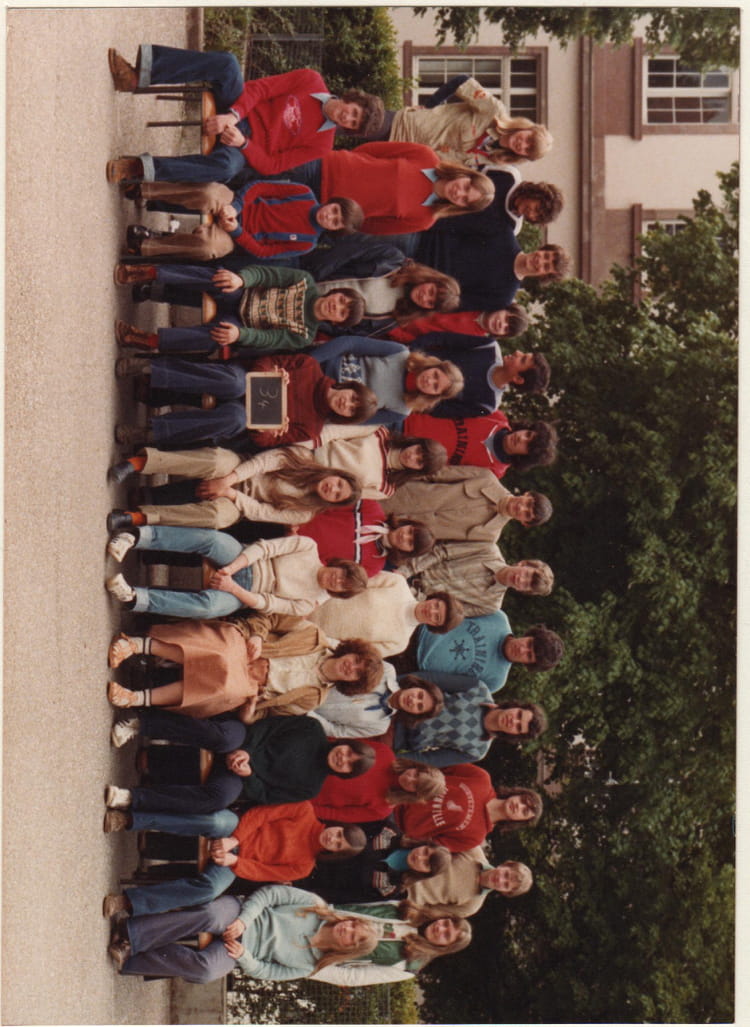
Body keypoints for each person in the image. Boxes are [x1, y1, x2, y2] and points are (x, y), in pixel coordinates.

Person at [107, 46, 384, 180]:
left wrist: (243, 143)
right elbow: (261, 89)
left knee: (226, 169)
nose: (348, 118)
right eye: (354, 112)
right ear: (352, 99)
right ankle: (136, 77)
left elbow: (273, 165)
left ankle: (138, 168)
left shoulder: (323, 145)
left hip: (243, 145)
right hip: (240, 107)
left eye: (353, 123)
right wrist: (234, 115)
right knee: (228, 64)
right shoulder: (311, 80)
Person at [105, 609, 382, 721]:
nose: (351, 667)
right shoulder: (312, 635)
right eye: (356, 661)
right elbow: (269, 619)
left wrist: (250, 713)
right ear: (351, 652)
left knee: (226, 689)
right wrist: (258, 636)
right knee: (222, 654)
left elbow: (269, 712)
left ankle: (137, 698)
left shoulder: (314, 698)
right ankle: (137, 645)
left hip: (251, 685)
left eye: (356, 674)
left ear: (351, 684)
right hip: (246, 649)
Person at [102, 805, 367, 916]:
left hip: (236, 862)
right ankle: (130, 819)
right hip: (237, 829)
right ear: (338, 825)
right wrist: (234, 840)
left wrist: (233, 861)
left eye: (338, 845)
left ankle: (128, 902)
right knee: (214, 821)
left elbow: (262, 873)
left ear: (336, 853)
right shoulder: (304, 810)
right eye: (339, 834)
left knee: (209, 889)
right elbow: (261, 815)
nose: (333, 839)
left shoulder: (304, 867)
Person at [104, 709, 376, 815]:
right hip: (244, 738)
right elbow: (268, 726)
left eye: (349, 764)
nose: (343, 757)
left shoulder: (311, 788)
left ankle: (132, 798)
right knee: (221, 737)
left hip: (242, 777)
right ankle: (140, 724)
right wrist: (245, 751)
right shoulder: (311, 729)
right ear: (345, 743)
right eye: (348, 752)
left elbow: (265, 796)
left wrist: (248, 773)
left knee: (218, 799)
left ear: (345, 773)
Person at [107, 883, 382, 983]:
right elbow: (270, 894)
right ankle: (131, 934)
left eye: (352, 936)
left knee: (206, 971)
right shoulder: (315, 905)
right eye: (352, 924)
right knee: (210, 915)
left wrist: (244, 956)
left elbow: (267, 972)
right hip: (241, 914)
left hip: (241, 952)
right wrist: (244, 921)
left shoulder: (311, 966)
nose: (347, 929)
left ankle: (131, 958)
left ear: (348, 949)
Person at [109, 352, 378, 451]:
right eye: (353, 398)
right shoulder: (309, 367)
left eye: (352, 410)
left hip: (246, 413)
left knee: (235, 419)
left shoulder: (312, 428)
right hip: (243, 379)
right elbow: (265, 360)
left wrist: (270, 431)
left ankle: (149, 432)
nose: (347, 404)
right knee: (233, 383)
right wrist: (271, 372)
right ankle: (149, 368)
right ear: (348, 386)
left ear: (346, 418)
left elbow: (262, 442)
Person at [104, 528, 367, 620]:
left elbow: (267, 604)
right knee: (213, 541)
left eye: (341, 586)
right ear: (339, 565)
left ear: (337, 593)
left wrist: (232, 588)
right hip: (243, 558)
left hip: (244, 594)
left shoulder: (309, 603)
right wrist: (231, 570)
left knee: (209, 608)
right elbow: (265, 548)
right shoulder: (308, 547)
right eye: (341, 574)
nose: (336, 580)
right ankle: (136, 536)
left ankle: (135, 598)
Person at [113, 263, 364, 357]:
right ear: (336, 292)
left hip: (242, 323)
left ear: (337, 323)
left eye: (342, 312)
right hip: (242, 292)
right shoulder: (304, 281)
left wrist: (240, 335)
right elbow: (267, 274)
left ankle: (149, 340)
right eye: (342, 299)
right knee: (220, 278)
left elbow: (269, 339)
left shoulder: (305, 335)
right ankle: (150, 272)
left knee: (219, 336)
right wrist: (242, 279)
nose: (337, 306)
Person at [249, 141, 495, 235]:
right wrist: (350, 164)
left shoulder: (424, 219)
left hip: (321, 206)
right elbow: (374, 150)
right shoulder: (425, 156)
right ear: (465, 174)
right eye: (466, 186)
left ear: (461, 207)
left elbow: (369, 225)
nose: (459, 193)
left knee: (258, 202)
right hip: (324, 166)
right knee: (257, 168)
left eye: (465, 199)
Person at [106, 446, 362, 532]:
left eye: (337, 495)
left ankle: (137, 517)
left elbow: (261, 512)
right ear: (336, 474)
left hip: (240, 502)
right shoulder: (304, 457)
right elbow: (263, 462)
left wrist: (230, 493)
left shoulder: (304, 513)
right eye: (338, 483)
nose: (332, 489)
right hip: (240, 467)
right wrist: (228, 480)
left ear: (333, 503)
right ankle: (138, 463)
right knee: (217, 461)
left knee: (218, 517)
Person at [121, 181, 362, 262]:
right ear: (332, 202)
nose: (329, 217)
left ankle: (148, 243)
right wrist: (235, 207)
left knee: (208, 248)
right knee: (208, 194)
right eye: (334, 211)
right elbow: (259, 187)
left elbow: (263, 252)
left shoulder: (307, 243)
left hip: (236, 235)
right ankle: (145, 190)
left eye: (335, 222)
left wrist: (236, 231)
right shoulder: (304, 193)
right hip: (237, 203)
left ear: (334, 230)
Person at [382, 74, 552, 170]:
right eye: (529, 139)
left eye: (527, 150)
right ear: (527, 128)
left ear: (523, 156)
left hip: (402, 157)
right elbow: (461, 81)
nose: (523, 144)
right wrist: (430, 105)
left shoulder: (493, 160)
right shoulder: (494, 111)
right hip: (403, 126)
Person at [391, 669, 548, 767]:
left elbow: (429, 760)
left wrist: (391, 758)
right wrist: (392, 685)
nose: (513, 720)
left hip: (396, 737)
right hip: (400, 703)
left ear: (515, 736)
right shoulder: (479, 689)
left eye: (518, 727)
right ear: (516, 706)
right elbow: (429, 679)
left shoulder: (478, 750)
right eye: (519, 715)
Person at [310, 337, 464, 427]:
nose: (429, 380)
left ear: (434, 396)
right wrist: (309, 362)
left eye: (435, 387)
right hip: (320, 367)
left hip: (322, 402)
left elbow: (355, 420)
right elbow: (350, 342)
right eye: (435, 375)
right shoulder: (399, 353)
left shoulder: (400, 411)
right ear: (433, 365)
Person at [308, 570, 464, 658]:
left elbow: (352, 651)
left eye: (437, 617)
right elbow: (348, 582)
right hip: (310, 598)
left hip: (311, 636)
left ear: (435, 626)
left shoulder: (399, 643)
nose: (431, 610)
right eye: (436, 605)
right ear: (434, 597)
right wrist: (313, 602)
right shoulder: (397, 583)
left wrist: (313, 634)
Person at [381, 464, 552, 543]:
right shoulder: (487, 478)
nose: (521, 508)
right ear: (527, 494)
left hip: (396, 531)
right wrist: (391, 480)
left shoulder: (489, 536)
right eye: (528, 503)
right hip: (398, 493)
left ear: (524, 523)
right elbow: (436, 473)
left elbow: (441, 545)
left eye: (527, 514)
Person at [309, 903, 472, 985]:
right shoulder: (406, 908)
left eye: (446, 935)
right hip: (315, 919)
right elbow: (358, 907)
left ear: (445, 947)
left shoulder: (409, 966)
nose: (440, 928)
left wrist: (310, 968)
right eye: (446, 923)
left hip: (313, 953)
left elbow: (352, 978)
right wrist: (318, 909)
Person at [396, 765, 543, 852]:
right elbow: (436, 767)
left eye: (524, 811)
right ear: (517, 793)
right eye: (523, 800)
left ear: (519, 821)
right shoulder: (481, 778)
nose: (519, 806)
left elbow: (431, 846)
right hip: (397, 791)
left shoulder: (475, 838)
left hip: (395, 825)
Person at [404, 611, 565, 689]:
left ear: (528, 664)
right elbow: (454, 608)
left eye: (529, 655)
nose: (522, 649)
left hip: (412, 668)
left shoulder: (496, 680)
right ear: (529, 635)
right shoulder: (498, 618)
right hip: (414, 630)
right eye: (529, 644)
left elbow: (449, 688)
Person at [410, 333, 551, 417]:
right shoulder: (489, 347)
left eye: (522, 359)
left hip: (409, 391)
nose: (518, 352)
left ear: (518, 378)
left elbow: (439, 410)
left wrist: (411, 398)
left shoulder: (488, 405)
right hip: (409, 359)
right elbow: (442, 338)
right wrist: (409, 352)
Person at [400, 542, 554, 617]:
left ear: (522, 591)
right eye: (526, 574)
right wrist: (406, 571)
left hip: (414, 600)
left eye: (526, 585)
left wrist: (412, 595)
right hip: (410, 565)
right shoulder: (489, 550)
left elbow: (450, 612)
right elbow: (442, 552)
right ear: (523, 564)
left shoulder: (491, 605)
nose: (521, 579)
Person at [314, 262, 460, 338]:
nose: (424, 297)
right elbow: (342, 257)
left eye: (430, 302)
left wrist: (315, 319)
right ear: (431, 279)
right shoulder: (393, 261)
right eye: (431, 291)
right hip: (310, 277)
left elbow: (344, 332)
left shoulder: (392, 320)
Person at [312, 742, 447, 823]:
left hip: (308, 796)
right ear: (417, 766)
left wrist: (303, 805)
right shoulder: (384, 752)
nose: (409, 779)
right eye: (416, 774)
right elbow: (341, 745)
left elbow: (335, 814)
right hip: (312, 761)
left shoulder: (382, 810)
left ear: (415, 794)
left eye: (415, 785)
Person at [402, 409, 558, 479]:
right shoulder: (496, 417)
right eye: (528, 434)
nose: (521, 438)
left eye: (527, 445)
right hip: (405, 418)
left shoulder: (493, 472)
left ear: (525, 457)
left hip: (404, 455)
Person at [297, 501, 435, 577]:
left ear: (408, 552)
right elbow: (325, 505)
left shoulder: (373, 566)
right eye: (409, 531)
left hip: (297, 553)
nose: (404, 536)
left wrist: (299, 553)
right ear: (408, 524)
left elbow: (327, 570)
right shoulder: (371, 508)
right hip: (297, 519)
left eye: (410, 542)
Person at [309, 671, 444, 739]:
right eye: (419, 695)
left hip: (306, 714)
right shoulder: (386, 672)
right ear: (416, 685)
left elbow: (337, 731)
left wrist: (307, 712)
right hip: (310, 682)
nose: (413, 701)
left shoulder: (379, 727)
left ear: (415, 715)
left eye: (419, 707)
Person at [404, 852, 534, 919]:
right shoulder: (474, 852)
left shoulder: (472, 906)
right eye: (505, 874)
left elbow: (428, 912)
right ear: (505, 865)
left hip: (405, 896)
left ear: (504, 892)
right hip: (406, 866)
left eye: (505, 885)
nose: (500, 880)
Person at [387, 303, 528, 345]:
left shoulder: (473, 340)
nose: (501, 324)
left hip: (393, 329)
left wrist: (392, 330)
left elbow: (423, 343)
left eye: (506, 329)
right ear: (504, 308)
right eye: (506, 318)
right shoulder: (473, 302)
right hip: (402, 305)